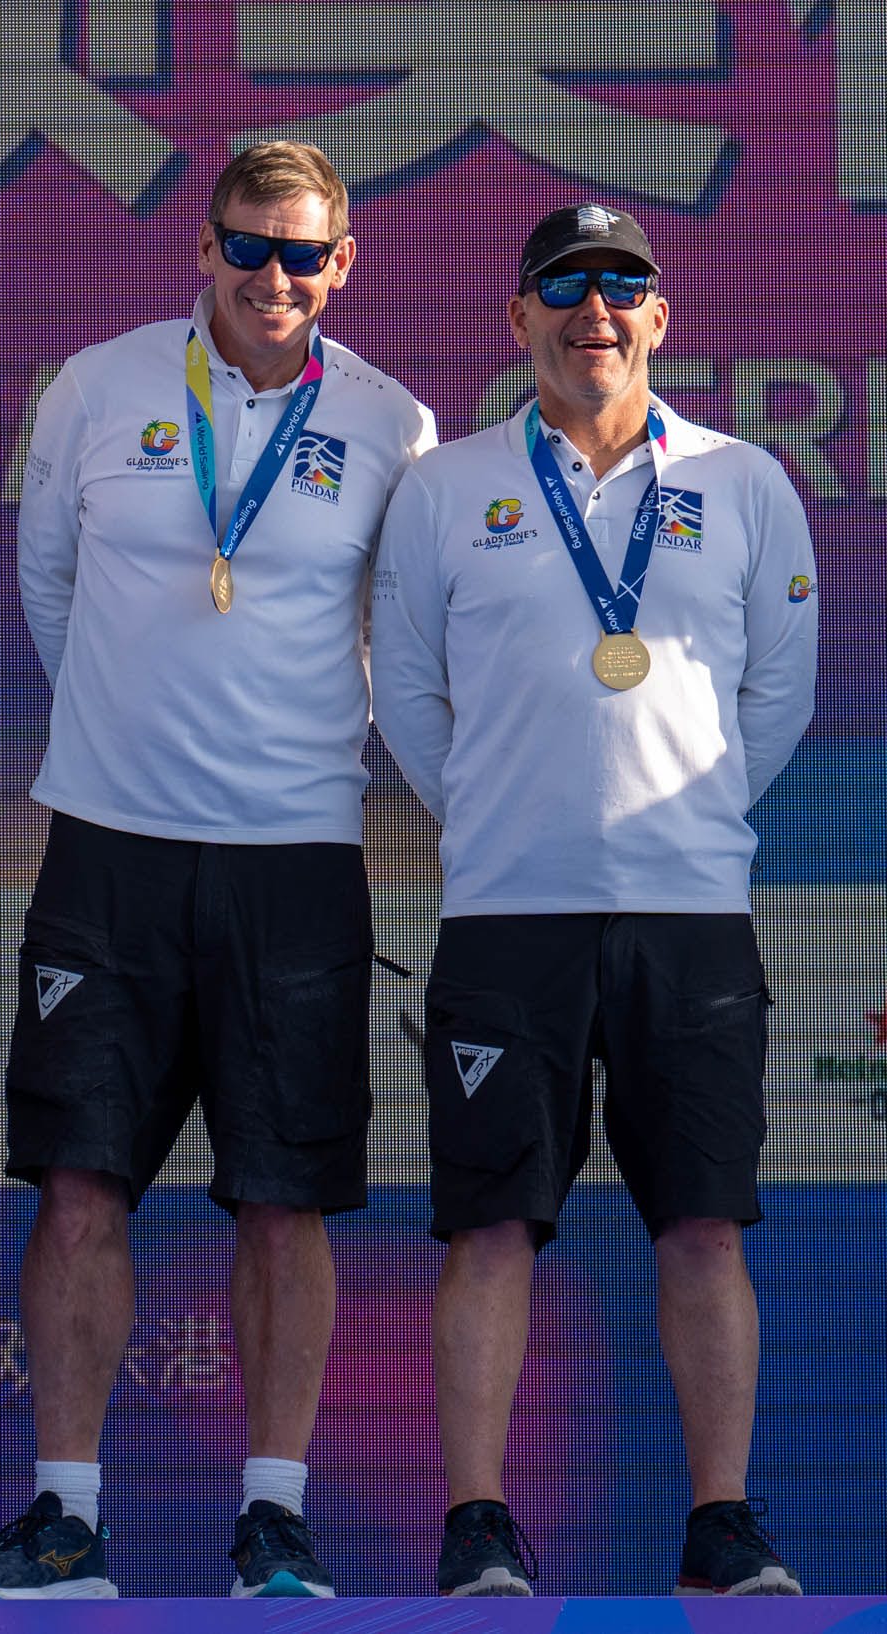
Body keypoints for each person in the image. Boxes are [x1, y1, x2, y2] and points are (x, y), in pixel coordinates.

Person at [0, 142, 435, 1601]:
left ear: (343, 266)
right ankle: (67, 1517)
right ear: (201, 246)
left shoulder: (392, 424)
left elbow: (399, 650)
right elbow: (49, 587)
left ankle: (273, 1517)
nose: (272, 279)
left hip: (298, 857)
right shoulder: (95, 388)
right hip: (109, 846)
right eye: (247, 247)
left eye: (302, 256)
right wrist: (128, 746)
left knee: (286, 1198)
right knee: (82, 1187)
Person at [371, 202, 816, 1597]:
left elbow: (777, 699)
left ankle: (723, 1521)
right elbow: (408, 698)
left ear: (660, 318)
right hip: (511, 916)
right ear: (520, 320)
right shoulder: (447, 489)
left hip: (691, 915)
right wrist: (508, 817)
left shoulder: (746, 482)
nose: (595, 311)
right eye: (565, 287)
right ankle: (480, 1522)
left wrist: (687, 814)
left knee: (703, 1220)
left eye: (624, 287)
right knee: (489, 1224)